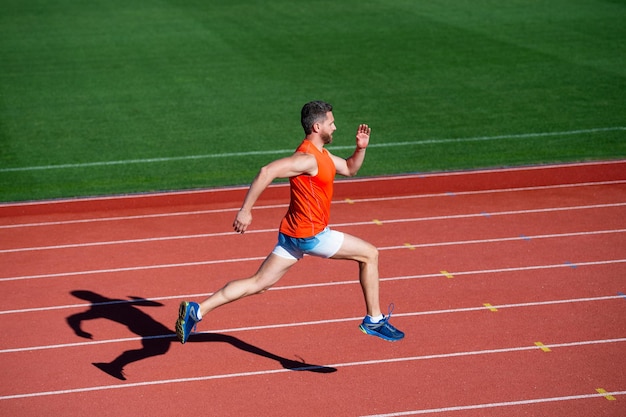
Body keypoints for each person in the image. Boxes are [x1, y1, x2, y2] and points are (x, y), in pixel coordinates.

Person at [175, 100, 404, 343]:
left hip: (292, 236)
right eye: (332, 123)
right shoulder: (307, 159)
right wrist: (246, 210)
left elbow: (349, 168)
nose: (335, 127)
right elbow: (267, 171)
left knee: (258, 283)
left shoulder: (322, 156)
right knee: (370, 254)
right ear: (317, 127)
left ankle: (196, 310)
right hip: (311, 235)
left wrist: (361, 148)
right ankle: (374, 320)